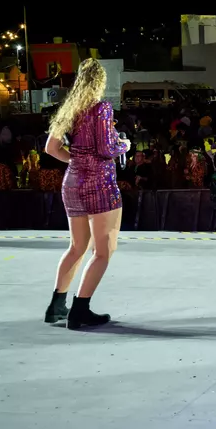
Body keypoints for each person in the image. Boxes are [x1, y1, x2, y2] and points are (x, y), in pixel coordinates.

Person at [42, 59, 130, 330]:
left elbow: (51, 149)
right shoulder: (101, 108)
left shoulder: (69, 109)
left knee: (77, 247)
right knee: (103, 251)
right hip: (99, 186)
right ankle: (80, 311)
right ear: (100, 82)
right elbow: (105, 149)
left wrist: (77, 162)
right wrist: (123, 144)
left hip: (72, 184)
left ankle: (56, 306)